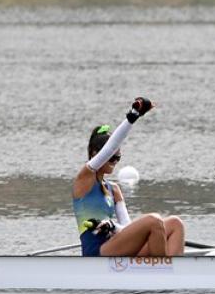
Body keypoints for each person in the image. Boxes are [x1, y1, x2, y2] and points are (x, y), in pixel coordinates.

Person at [73, 97, 185, 257]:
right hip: (97, 252)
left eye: (117, 158)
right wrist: (133, 115)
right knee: (154, 220)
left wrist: (112, 226)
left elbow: (126, 228)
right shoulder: (84, 179)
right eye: (111, 157)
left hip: (117, 245)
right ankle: (162, 273)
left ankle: (174, 273)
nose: (115, 162)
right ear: (94, 154)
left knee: (175, 224)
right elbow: (111, 145)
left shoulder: (114, 189)